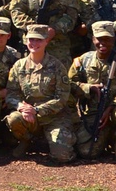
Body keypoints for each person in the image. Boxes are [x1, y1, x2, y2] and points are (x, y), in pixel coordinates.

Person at [69, 22, 116, 163]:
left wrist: (111, 107)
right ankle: (107, 134)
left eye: (107, 39)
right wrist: (89, 88)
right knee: (87, 152)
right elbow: (70, 84)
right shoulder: (82, 61)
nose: (103, 43)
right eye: (99, 39)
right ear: (93, 39)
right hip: (94, 112)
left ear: (114, 39)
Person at [5, 24, 75, 163]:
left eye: (39, 40)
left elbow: (61, 98)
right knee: (13, 119)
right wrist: (21, 107)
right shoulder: (19, 66)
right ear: (26, 40)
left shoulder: (57, 66)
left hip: (54, 117)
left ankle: (61, 138)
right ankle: (27, 140)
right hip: (29, 117)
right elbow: (11, 94)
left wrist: (36, 110)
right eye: (31, 39)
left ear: (46, 41)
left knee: (62, 156)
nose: (34, 43)